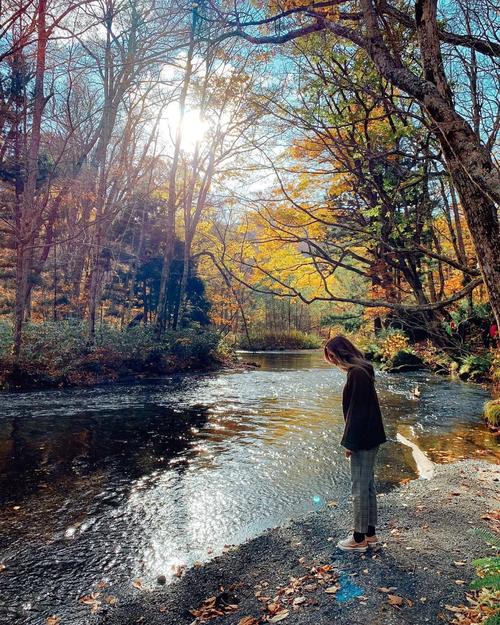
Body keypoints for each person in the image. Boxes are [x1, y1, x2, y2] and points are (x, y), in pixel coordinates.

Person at [324, 335, 387, 552]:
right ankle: (370, 534)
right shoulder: (363, 369)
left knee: (359, 487)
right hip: (371, 435)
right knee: (367, 485)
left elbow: (357, 412)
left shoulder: (357, 373)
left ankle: (359, 538)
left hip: (363, 437)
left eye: (332, 356)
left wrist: (350, 442)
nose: (332, 361)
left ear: (341, 352)